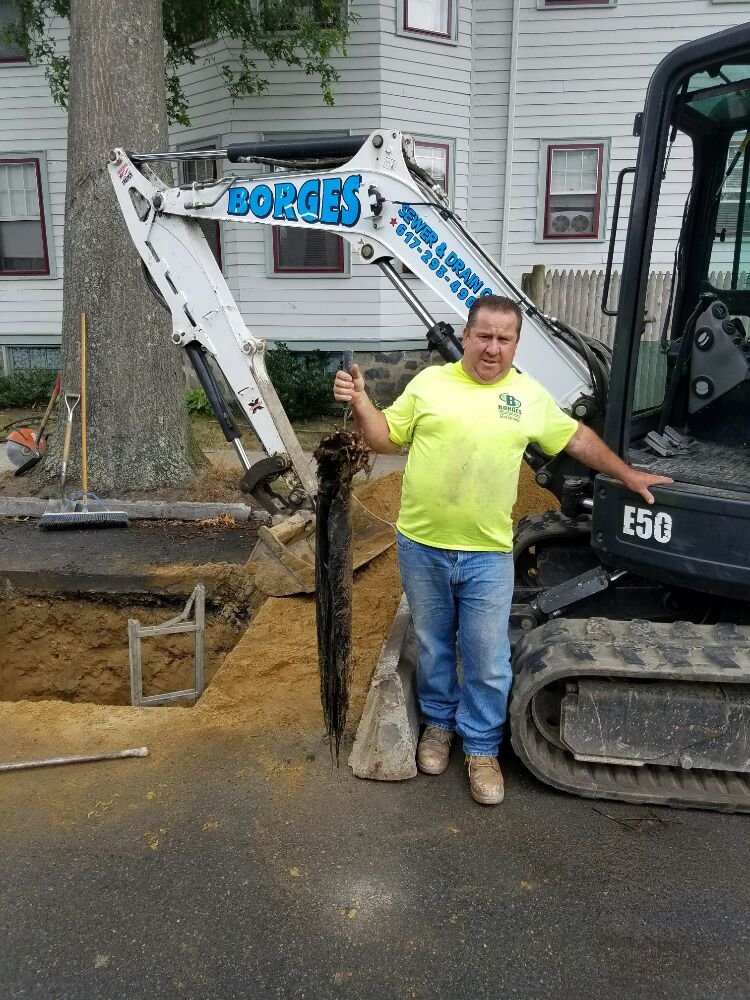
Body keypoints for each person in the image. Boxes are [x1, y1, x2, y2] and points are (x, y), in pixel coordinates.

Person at [333, 296, 671, 806]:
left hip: (487, 554)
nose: (492, 348)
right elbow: (384, 438)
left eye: (503, 338)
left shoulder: (527, 396)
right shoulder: (430, 384)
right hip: (422, 545)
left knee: (488, 657)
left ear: (516, 343)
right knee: (433, 643)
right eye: (484, 336)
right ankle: (440, 726)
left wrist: (625, 474)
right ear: (465, 337)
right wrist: (361, 402)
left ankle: (482, 748)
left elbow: (576, 439)